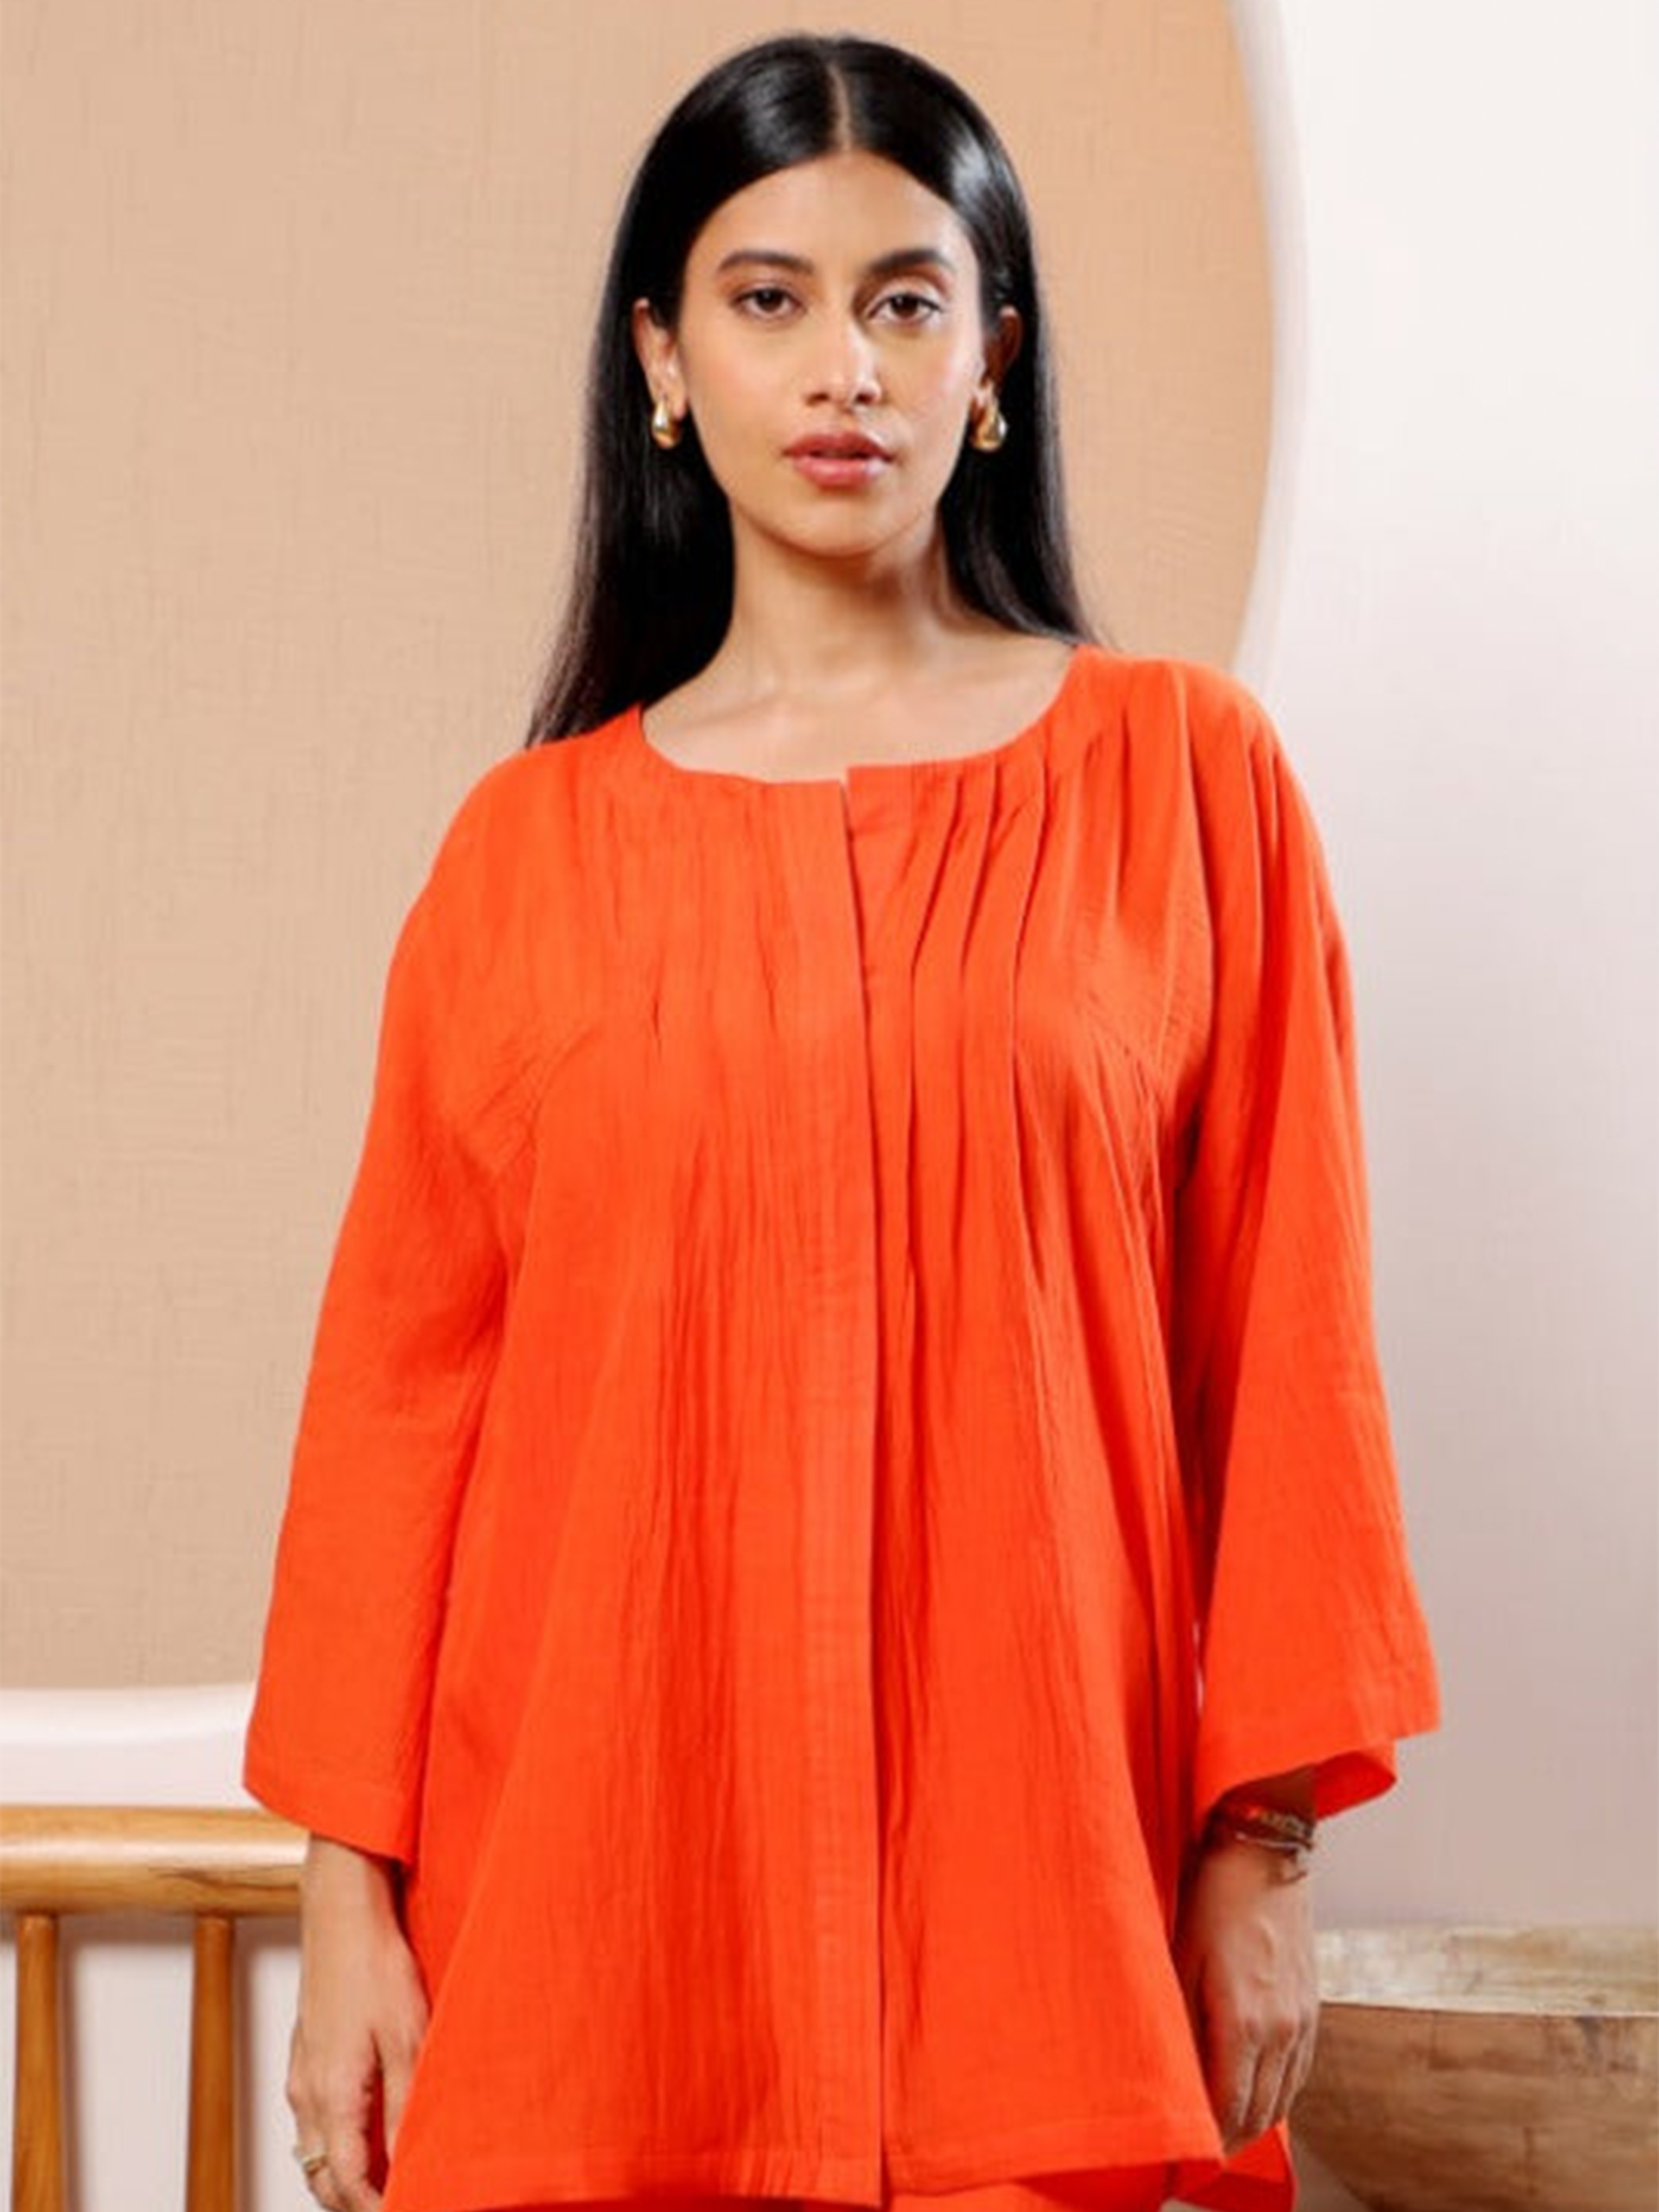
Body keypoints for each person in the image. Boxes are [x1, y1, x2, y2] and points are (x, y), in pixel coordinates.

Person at [245, 31, 1440, 2212]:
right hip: (595, 1917)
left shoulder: (1188, 784)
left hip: (1045, 1917)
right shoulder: (522, 856)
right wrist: (347, 1907)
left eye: (906, 298)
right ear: (663, 360)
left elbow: (1291, 1355)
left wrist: (1262, 1837)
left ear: (993, 359)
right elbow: (397, 1413)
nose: (844, 366)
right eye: (768, 297)